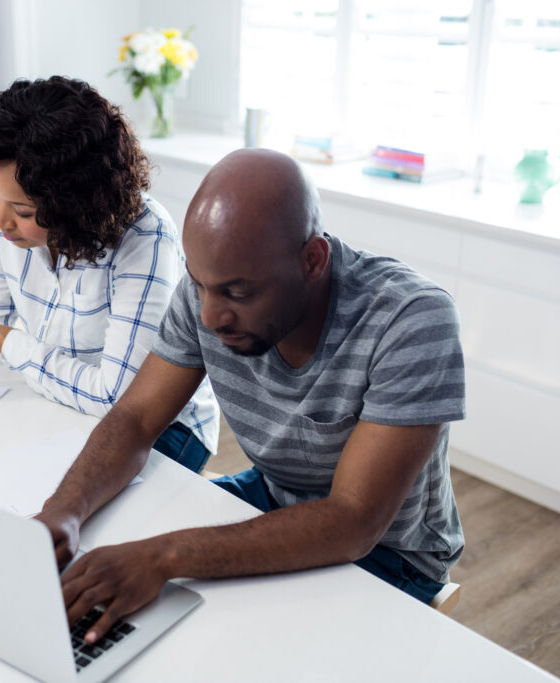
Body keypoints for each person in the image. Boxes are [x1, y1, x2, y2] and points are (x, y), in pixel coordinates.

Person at [36, 148, 466, 644]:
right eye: (200, 287)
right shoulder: (208, 294)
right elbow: (134, 419)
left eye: (238, 294)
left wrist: (164, 556)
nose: (212, 316)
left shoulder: (412, 320)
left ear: (312, 260)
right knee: (113, 583)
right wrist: (63, 511)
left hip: (390, 553)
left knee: (222, 642)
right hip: (272, 497)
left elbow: (354, 521)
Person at [0, 76, 218, 472]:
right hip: (63, 401)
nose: (1, 220)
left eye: (24, 212)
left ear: (74, 207)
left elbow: (117, 399)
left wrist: (3, 341)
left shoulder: (145, 239)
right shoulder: (5, 213)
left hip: (160, 428)